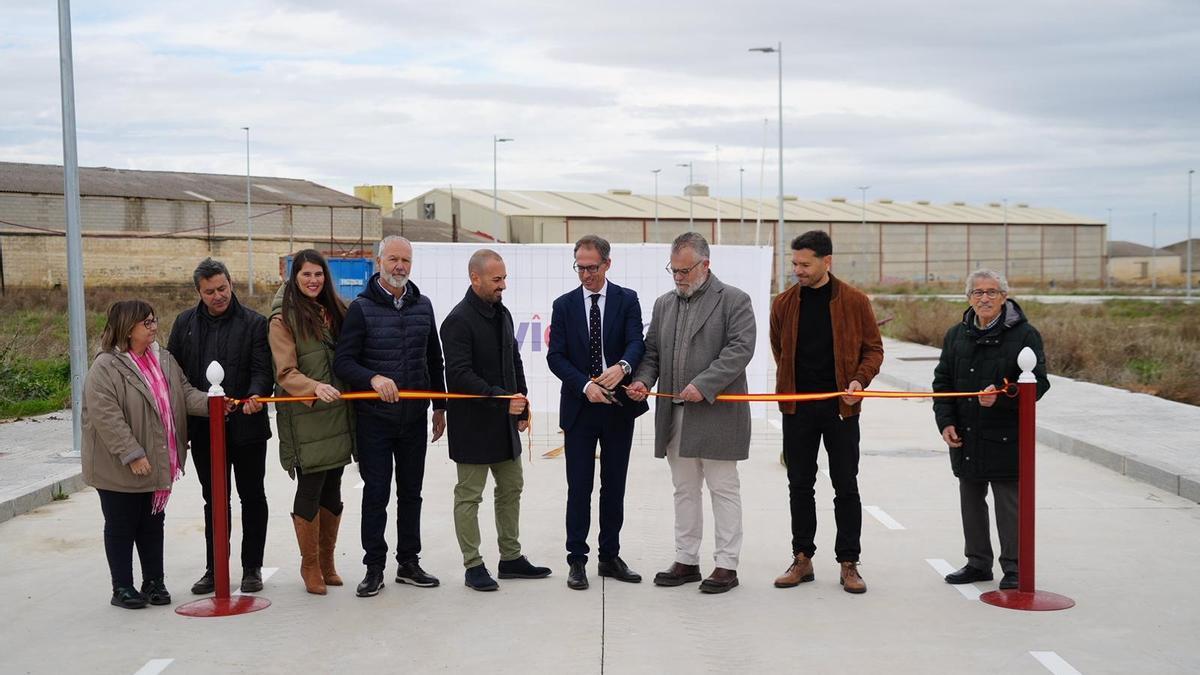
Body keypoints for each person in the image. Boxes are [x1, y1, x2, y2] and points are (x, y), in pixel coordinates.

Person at [627, 232, 756, 594]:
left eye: (685, 270)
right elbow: (652, 353)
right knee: (684, 490)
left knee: (722, 489)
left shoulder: (734, 300)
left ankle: (727, 565)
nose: (679, 277)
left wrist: (704, 383)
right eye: (674, 270)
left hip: (717, 413)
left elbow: (740, 349)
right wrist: (642, 381)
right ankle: (686, 559)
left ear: (705, 265)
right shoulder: (664, 304)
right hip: (675, 414)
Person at [768, 230, 884, 595]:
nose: (797, 270)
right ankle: (802, 558)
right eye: (794, 264)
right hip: (797, 408)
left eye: (805, 264)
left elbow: (873, 350)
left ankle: (849, 562)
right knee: (799, 485)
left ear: (826, 262)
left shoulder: (854, 301)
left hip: (841, 409)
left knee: (845, 485)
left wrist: (859, 382)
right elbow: (779, 349)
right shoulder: (784, 303)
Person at [333, 236, 447, 598]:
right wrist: (373, 378)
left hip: (413, 419)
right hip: (375, 421)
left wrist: (440, 407)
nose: (400, 266)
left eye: (406, 261)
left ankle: (409, 563)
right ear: (378, 261)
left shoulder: (423, 306)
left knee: (411, 493)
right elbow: (343, 363)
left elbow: (434, 361)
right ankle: (374, 567)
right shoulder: (361, 309)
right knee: (377, 494)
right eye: (394, 259)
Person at [82, 300, 209, 608]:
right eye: (147, 323)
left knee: (152, 523)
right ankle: (122, 587)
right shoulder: (106, 366)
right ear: (128, 328)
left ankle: (154, 582)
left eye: (154, 321)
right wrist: (132, 453)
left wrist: (216, 403)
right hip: (119, 464)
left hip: (156, 459)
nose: (154, 327)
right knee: (122, 524)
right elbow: (106, 416)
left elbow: (185, 393)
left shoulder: (163, 359)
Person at [440, 248, 551, 591]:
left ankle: (510, 558)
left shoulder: (501, 313)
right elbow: (458, 375)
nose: (503, 285)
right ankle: (473, 564)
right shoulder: (457, 321)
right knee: (470, 495)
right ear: (475, 278)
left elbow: (513, 360)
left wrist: (522, 399)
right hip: (473, 425)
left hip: (503, 423)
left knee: (511, 488)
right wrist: (502, 400)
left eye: (504, 278)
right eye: (496, 279)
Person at [933, 269, 1049, 591]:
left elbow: (1037, 384)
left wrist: (1001, 395)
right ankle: (977, 563)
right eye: (977, 292)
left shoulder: (1025, 335)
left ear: (1004, 297)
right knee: (970, 501)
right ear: (968, 297)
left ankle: (1013, 567)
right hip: (965, 434)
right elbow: (942, 382)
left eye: (992, 292)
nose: (984, 298)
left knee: (1008, 504)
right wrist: (946, 422)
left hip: (1005, 436)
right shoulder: (957, 334)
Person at [547, 235, 649, 590]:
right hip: (580, 406)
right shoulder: (564, 306)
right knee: (579, 487)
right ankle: (577, 559)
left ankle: (609, 556)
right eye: (580, 267)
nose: (586, 274)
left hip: (618, 406)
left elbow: (638, 342)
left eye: (592, 267)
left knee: (614, 486)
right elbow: (555, 357)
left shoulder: (627, 300)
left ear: (607, 264)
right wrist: (585, 386)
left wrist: (622, 366)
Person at [167, 258, 272, 596]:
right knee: (214, 499)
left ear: (231, 283)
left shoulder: (255, 323)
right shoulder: (185, 325)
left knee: (252, 496)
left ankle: (252, 567)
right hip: (203, 430)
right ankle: (215, 569)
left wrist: (257, 394)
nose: (218, 296)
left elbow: (262, 369)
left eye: (222, 288)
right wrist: (179, 428)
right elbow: (175, 378)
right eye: (210, 291)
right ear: (199, 292)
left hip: (247, 427)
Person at [269, 249, 356, 595]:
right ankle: (309, 565)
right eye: (306, 275)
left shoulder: (337, 310)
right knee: (310, 487)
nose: (313, 281)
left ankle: (327, 561)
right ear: (295, 277)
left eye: (318, 274)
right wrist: (314, 387)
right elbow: (285, 372)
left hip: (337, 413)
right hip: (306, 415)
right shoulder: (283, 319)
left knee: (333, 487)